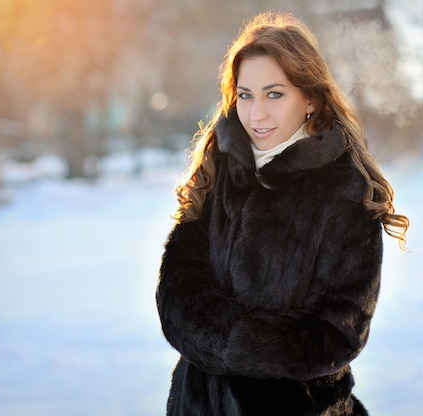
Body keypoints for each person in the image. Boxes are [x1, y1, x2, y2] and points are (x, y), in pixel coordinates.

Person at [156, 11, 408, 416]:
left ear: (309, 98)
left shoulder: (345, 190)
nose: (257, 114)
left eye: (274, 94)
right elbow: (176, 290)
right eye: (245, 94)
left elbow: (338, 331)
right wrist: (226, 342)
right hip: (197, 404)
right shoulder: (219, 168)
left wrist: (237, 344)